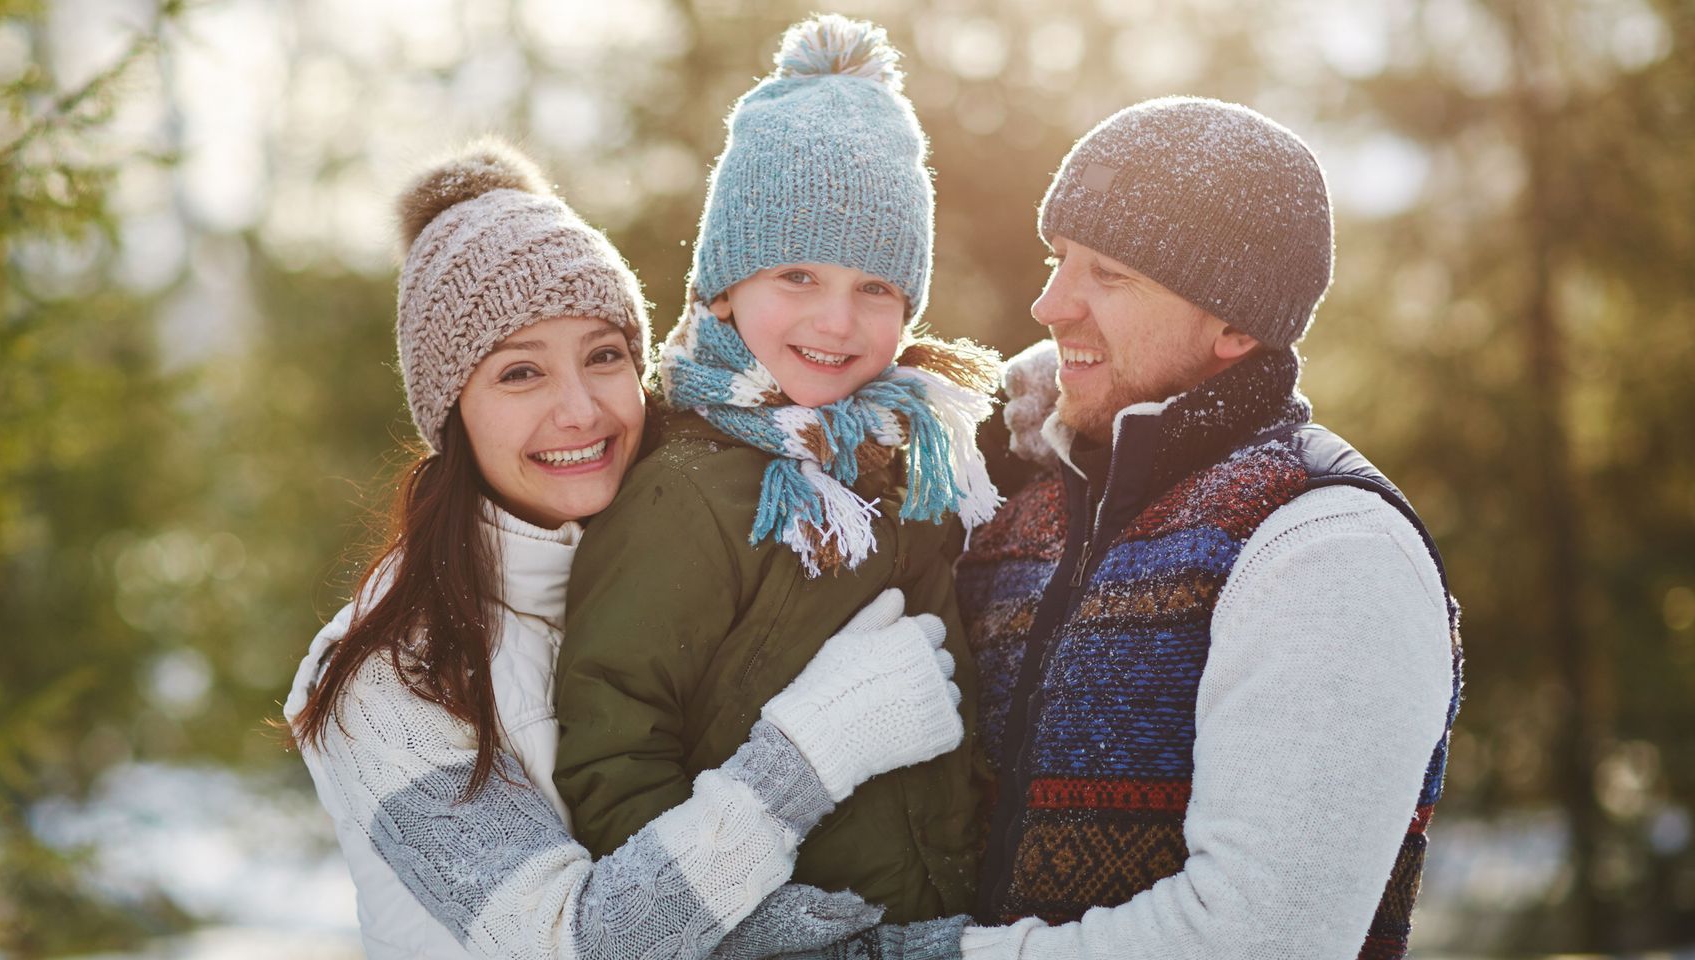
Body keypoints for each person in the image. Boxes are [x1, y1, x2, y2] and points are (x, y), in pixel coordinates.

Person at [797, 96, 1464, 960]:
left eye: (1108, 275)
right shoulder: (1016, 497)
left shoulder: (1327, 549)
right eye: (1059, 259)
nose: (1049, 304)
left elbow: (1260, 940)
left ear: (1236, 325)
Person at [281, 140, 968, 959]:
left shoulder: (678, 554)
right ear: (450, 408)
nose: (580, 410)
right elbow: (566, 943)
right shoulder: (389, 677)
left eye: (604, 357)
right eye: (520, 374)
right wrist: (814, 751)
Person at [553, 14, 998, 929]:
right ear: (724, 286)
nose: (837, 323)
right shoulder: (684, 492)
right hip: (770, 925)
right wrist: (745, 932)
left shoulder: (909, 465)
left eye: (875, 288)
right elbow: (615, 755)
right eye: (797, 276)